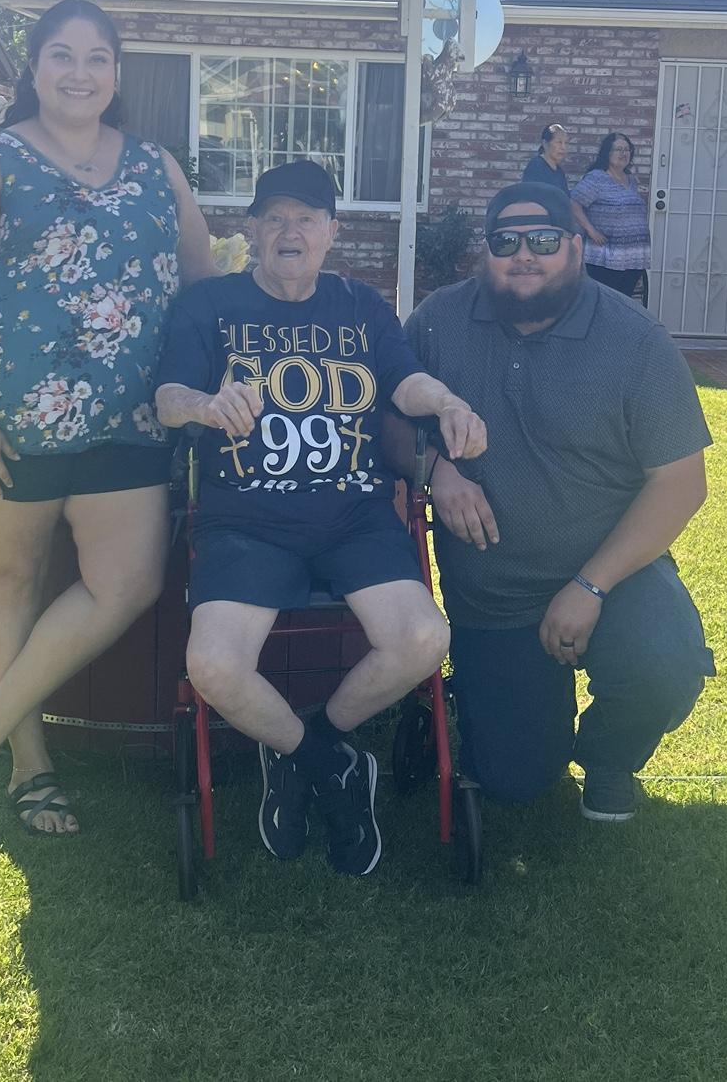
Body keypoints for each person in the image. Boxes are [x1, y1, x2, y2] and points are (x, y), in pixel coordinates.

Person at [0, 0, 215, 836]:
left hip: (131, 422)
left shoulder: (157, 166)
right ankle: (30, 765)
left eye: (97, 58)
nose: (79, 73)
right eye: (61, 54)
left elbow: (201, 278)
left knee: (129, 584)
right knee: (10, 580)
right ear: (34, 68)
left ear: (117, 74)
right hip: (10, 426)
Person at [154, 160, 487, 876]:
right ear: (251, 230)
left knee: (424, 639)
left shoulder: (360, 306)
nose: (290, 231)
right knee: (212, 664)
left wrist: (446, 401)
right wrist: (206, 405)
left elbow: (404, 380)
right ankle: (325, 764)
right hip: (245, 521)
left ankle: (315, 742)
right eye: (275, 217)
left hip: (354, 517)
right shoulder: (209, 306)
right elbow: (167, 398)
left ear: (332, 232)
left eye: (306, 218)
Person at [391, 183, 715, 822]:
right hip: (493, 595)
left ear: (575, 246)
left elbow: (681, 483)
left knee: (667, 665)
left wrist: (590, 587)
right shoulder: (437, 322)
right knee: (515, 781)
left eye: (543, 239)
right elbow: (388, 418)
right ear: (485, 252)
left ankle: (609, 757)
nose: (524, 255)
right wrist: (437, 472)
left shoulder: (636, 340)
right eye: (505, 241)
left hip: (614, 576)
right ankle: (506, 716)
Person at [571, 131, 651, 305]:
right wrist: (591, 231)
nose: (623, 153)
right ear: (607, 153)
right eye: (618, 149)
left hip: (631, 258)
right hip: (605, 258)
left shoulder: (630, 179)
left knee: (623, 303)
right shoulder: (597, 178)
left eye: (627, 149)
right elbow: (574, 203)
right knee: (604, 302)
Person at [522, 123, 570, 195]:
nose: (563, 147)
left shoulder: (559, 172)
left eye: (566, 143)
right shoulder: (536, 167)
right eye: (559, 142)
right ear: (545, 143)